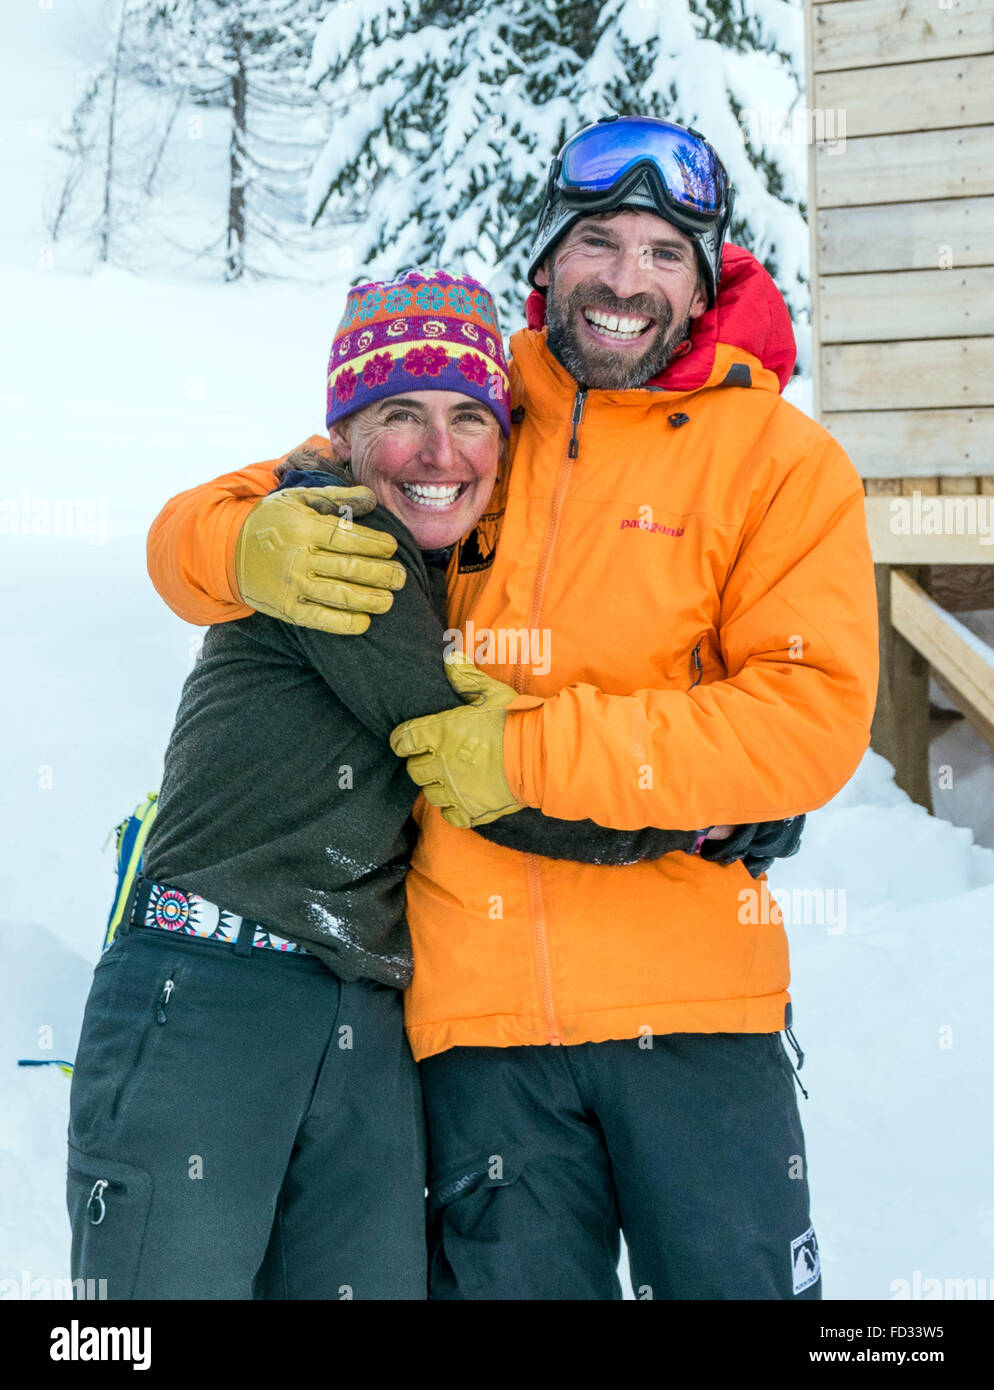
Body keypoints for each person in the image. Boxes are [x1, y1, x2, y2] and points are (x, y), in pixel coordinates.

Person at [144, 116, 878, 1299]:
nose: (625, 279)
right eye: (597, 241)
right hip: (474, 1028)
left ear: (703, 285)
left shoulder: (780, 463)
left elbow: (807, 720)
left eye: (662, 253)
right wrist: (235, 547)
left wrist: (528, 751)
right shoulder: (476, 409)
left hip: (694, 1008)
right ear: (548, 261)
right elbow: (224, 519)